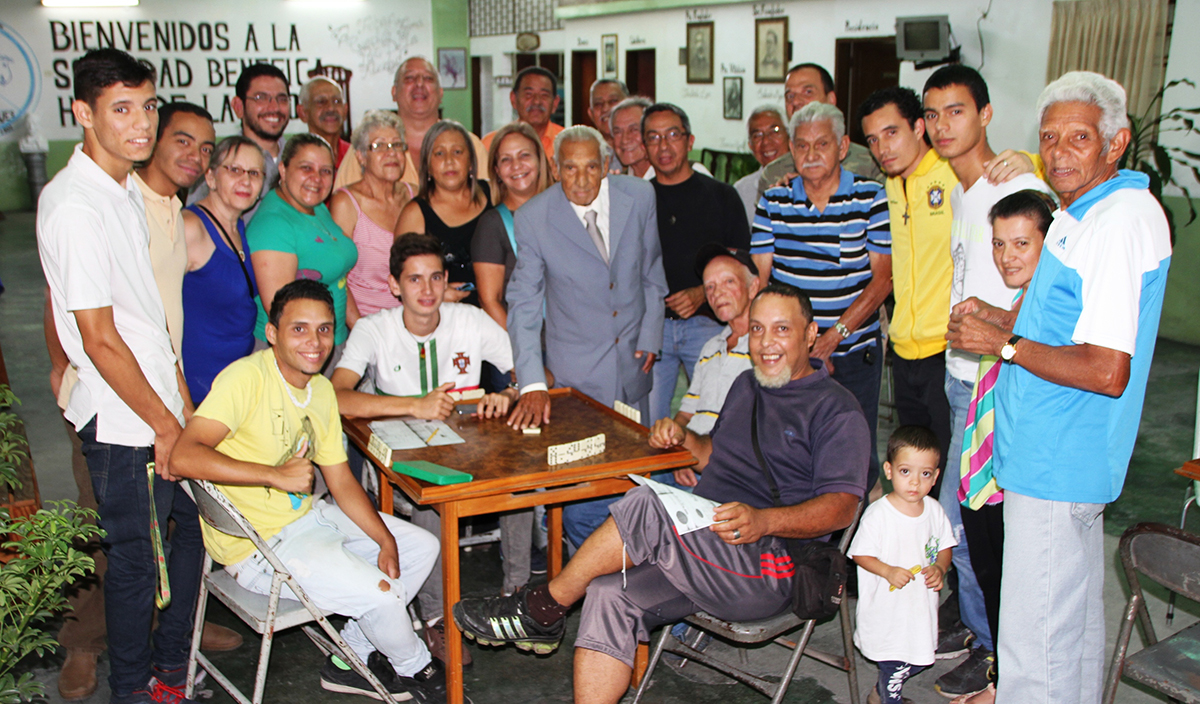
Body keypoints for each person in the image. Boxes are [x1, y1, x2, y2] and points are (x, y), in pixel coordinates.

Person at [453, 284, 870, 704]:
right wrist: (682, 437)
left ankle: (544, 608)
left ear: (811, 333)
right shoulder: (747, 385)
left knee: (649, 505)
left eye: (782, 329)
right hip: (709, 545)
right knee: (607, 594)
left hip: (771, 561)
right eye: (758, 329)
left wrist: (764, 521)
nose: (766, 342)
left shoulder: (836, 409)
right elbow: (713, 457)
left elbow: (841, 509)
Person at [949, 71, 1171, 704]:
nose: (1060, 152)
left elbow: (1107, 369)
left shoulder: (1118, 223)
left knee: (1031, 648)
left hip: (1060, 457)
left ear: (1117, 141)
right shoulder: (1083, 211)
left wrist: (1004, 346)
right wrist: (998, 319)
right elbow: (1060, 316)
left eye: (1079, 137)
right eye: (1050, 137)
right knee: (1067, 635)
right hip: (1049, 452)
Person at [170, 279, 446, 703]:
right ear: (272, 333)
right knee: (386, 596)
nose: (314, 342)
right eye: (299, 329)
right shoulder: (245, 378)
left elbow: (340, 479)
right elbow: (183, 457)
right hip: (257, 545)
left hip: (307, 518)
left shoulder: (320, 391)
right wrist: (271, 474)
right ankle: (418, 671)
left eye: (324, 329)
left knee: (421, 547)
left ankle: (350, 656)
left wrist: (384, 537)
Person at [37, 48, 203, 704]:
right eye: (122, 110)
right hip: (126, 424)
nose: (141, 124)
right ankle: (135, 690)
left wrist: (180, 402)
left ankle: (170, 673)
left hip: (159, 407)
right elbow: (99, 338)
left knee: (188, 536)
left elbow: (146, 315)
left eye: (148, 106)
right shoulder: (75, 204)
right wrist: (165, 426)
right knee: (136, 567)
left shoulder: (124, 187)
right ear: (84, 113)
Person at [922, 64, 1056, 700]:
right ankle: (984, 634)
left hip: (999, 378)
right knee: (967, 523)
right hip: (963, 378)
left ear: (986, 114)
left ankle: (998, 654)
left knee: (975, 525)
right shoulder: (967, 189)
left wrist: (998, 339)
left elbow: (1047, 293)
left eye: (956, 111)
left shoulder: (1018, 182)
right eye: (934, 114)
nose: (943, 125)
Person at [332, 234, 517, 661]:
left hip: (471, 447)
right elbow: (337, 396)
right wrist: (414, 406)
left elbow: (523, 364)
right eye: (414, 280)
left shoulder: (468, 319)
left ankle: (518, 595)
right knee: (431, 494)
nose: (427, 290)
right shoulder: (372, 329)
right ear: (395, 286)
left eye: (436, 277)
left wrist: (509, 392)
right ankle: (437, 619)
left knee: (518, 481)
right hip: (406, 461)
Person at [504, 126, 667, 549]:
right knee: (584, 490)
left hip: (634, 361)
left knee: (637, 476)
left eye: (592, 167)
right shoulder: (534, 218)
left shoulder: (640, 197)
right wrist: (533, 382)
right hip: (577, 375)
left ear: (607, 166)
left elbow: (652, 273)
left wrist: (651, 332)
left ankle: (643, 567)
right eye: (570, 168)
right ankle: (588, 573)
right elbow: (523, 304)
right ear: (555, 168)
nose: (581, 180)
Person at [948, 189, 1055, 704]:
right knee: (992, 577)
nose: (1006, 255)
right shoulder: (1022, 299)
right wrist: (992, 313)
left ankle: (1008, 686)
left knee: (1013, 587)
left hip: (1011, 470)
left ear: (1048, 243)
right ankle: (1000, 677)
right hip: (986, 464)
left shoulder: (1053, 304)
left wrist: (995, 335)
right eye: (997, 243)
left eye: (1020, 243)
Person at [751, 101, 891, 490]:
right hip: (793, 357)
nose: (811, 155)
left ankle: (853, 546)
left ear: (843, 147)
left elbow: (883, 280)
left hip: (853, 351)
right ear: (791, 150)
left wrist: (831, 339)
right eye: (801, 145)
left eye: (822, 144)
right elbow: (762, 283)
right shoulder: (774, 201)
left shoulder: (870, 198)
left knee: (856, 454)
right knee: (794, 452)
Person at [644, 102, 750, 427]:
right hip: (653, 328)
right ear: (644, 146)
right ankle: (655, 479)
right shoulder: (638, 200)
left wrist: (702, 293)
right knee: (650, 422)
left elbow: (742, 263)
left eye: (672, 135)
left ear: (690, 142)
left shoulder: (721, 195)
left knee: (715, 418)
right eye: (653, 137)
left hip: (708, 326)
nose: (664, 146)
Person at [849, 425, 955, 704]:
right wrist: (887, 571)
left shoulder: (934, 510)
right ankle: (887, 698)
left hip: (919, 613)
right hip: (887, 614)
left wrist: (941, 568)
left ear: (935, 476)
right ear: (889, 470)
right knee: (895, 666)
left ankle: (879, 694)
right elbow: (859, 554)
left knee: (918, 659)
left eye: (925, 474)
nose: (915, 482)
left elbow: (945, 546)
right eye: (905, 471)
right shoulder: (879, 515)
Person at [652, 244, 762, 485]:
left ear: (753, 287)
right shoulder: (711, 347)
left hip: (729, 474)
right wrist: (678, 453)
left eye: (728, 282)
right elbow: (685, 414)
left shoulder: (766, 349)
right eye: (709, 287)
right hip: (689, 462)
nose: (717, 293)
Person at [248, 133, 359, 370]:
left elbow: (337, 275)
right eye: (306, 168)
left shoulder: (316, 208)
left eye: (326, 171)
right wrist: (313, 355)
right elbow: (283, 312)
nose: (316, 178)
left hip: (331, 342)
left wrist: (362, 330)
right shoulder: (273, 224)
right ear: (284, 170)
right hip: (299, 353)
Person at [181, 136, 265, 403]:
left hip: (233, 386)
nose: (246, 181)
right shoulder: (190, 227)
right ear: (211, 177)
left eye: (255, 173)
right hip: (197, 390)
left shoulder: (238, 226)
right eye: (234, 170)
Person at [333, 57, 488, 191]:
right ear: (394, 92)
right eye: (409, 79)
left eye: (428, 78)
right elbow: (344, 205)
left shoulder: (470, 145)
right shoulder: (366, 147)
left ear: (440, 94)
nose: (419, 84)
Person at [396, 120, 493, 305]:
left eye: (457, 152)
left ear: (471, 162)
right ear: (428, 166)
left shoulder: (494, 193)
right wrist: (437, 295)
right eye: (439, 153)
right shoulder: (414, 214)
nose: (449, 160)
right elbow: (402, 279)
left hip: (500, 314)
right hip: (443, 319)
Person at [329, 110, 414, 318]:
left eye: (396, 145)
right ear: (361, 156)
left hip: (415, 323)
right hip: (366, 324)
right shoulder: (345, 203)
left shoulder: (416, 195)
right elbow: (338, 279)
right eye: (379, 146)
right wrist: (361, 331)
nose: (391, 153)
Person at [756, 63, 883, 199]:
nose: (796, 101)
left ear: (831, 100)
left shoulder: (870, 163)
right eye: (790, 96)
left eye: (808, 92)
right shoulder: (774, 173)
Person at [472, 121, 553, 330]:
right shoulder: (492, 224)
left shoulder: (564, 211)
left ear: (540, 159)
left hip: (574, 344)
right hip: (528, 348)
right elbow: (490, 302)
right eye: (506, 159)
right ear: (497, 171)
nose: (516, 165)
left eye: (524, 155)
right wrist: (523, 352)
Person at [189, 63, 290, 220]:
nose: (274, 107)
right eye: (261, 98)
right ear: (238, 106)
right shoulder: (218, 163)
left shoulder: (299, 158)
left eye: (282, 99)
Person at [482, 67, 564, 156]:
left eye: (544, 95)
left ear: (555, 103)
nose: (536, 101)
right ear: (513, 99)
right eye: (528, 94)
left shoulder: (567, 142)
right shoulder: (491, 144)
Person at [734, 106, 789, 225]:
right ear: (750, 146)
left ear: (789, 137)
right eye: (757, 135)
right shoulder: (741, 191)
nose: (766, 141)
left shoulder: (808, 182)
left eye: (775, 131)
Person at [297, 76, 351, 168]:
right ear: (303, 113)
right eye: (321, 102)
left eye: (337, 101)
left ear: (345, 110)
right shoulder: (295, 159)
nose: (331, 108)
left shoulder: (357, 156)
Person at [587, 79, 629, 173]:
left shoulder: (642, 146)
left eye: (613, 101)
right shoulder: (585, 151)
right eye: (598, 104)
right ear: (591, 113)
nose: (605, 109)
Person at [609, 96, 653, 178]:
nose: (624, 140)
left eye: (634, 130)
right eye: (618, 132)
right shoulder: (618, 184)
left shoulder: (670, 179)